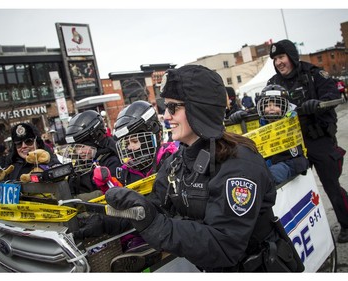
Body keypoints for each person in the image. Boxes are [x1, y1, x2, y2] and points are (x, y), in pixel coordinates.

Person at [104, 65, 304, 272]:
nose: (165, 116)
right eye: (165, 107)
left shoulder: (240, 164)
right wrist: (103, 220)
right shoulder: (178, 160)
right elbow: (155, 206)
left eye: (173, 108)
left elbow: (225, 245)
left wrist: (156, 226)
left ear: (199, 108)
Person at [74, 101, 178, 272]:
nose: (129, 148)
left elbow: (156, 203)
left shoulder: (171, 159)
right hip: (134, 232)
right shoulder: (124, 171)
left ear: (155, 135)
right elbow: (122, 201)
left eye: (135, 141)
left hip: (167, 226)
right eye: (126, 143)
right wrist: (107, 187)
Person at [268, 39, 348, 243]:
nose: (278, 62)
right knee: (295, 187)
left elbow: (332, 95)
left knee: (331, 185)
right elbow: (263, 106)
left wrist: (319, 103)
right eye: (275, 59)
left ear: (292, 57)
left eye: (281, 57)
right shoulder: (273, 83)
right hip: (293, 145)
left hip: (319, 141)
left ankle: (346, 223)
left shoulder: (314, 74)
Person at [256, 84, 309, 184]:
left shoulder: (291, 123)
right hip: (269, 164)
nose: (271, 108)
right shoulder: (261, 126)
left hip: (289, 163)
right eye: (267, 105)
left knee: (272, 175)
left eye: (276, 105)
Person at [63, 110, 121, 200]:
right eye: (77, 148)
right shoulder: (83, 162)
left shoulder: (111, 161)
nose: (79, 152)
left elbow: (114, 194)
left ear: (96, 141)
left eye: (82, 147)